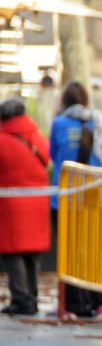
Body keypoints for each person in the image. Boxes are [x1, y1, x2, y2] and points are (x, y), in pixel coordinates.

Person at [49, 81, 102, 319]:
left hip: (65, 197)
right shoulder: (98, 121)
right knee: (93, 251)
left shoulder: (59, 123)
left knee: (67, 251)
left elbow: (53, 155)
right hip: (93, 197)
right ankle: (101, 304)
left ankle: (71, 305)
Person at [0, 97, 51, 316]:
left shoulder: (2, 140)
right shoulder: (38, 138)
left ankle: (21, 299)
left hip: (11, 205)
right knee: (32, 253)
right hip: (38, 202)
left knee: (13, 252)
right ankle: (32, 296)